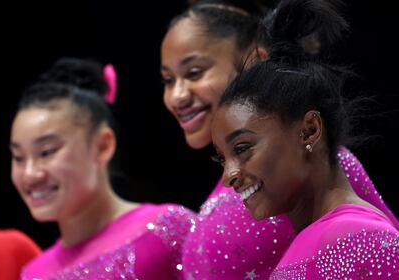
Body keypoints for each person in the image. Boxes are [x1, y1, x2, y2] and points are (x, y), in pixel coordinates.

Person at [160, 0, 399, 278]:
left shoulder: (316, 166)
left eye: (194, 73)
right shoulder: (254, 187)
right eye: (167, 80)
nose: (177, 95)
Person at [211, 51, 399, 278]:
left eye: (241, 149)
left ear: (309, 130)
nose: (227, 176)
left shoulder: (361, 239)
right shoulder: (326, 239)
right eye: (222, 158)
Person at [10, 57, 195, 279]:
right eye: (18, 157)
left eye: (47, 152)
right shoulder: (33, 274)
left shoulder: (166, 229)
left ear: (102, 146)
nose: (31, 173)